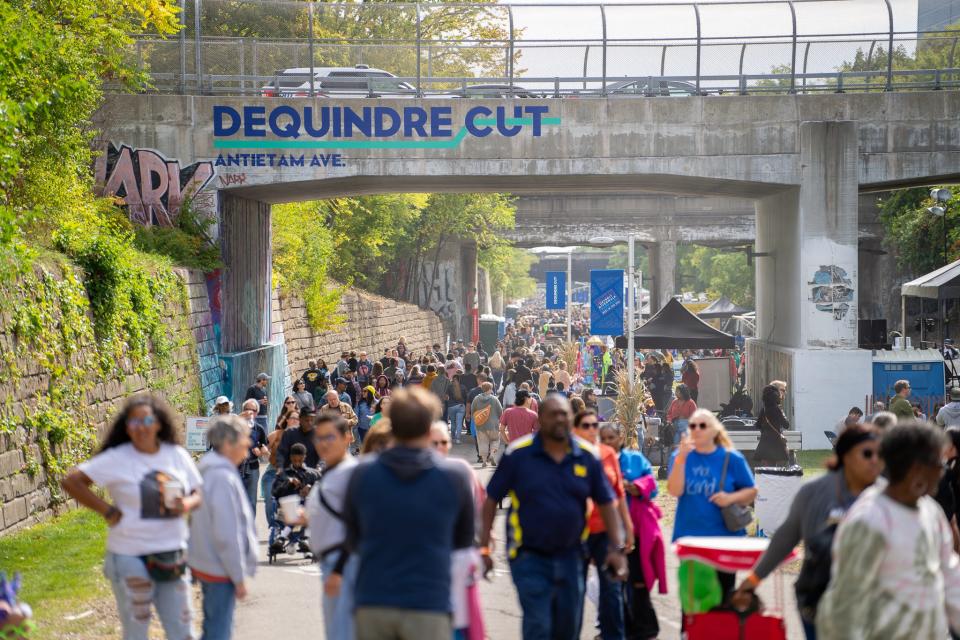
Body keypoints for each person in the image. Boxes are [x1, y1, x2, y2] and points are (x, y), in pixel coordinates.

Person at [480, 396, 628, 640]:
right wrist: (484, 547)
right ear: (540, 419)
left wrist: (616, 547)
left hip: (572, 556)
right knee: (539, 624)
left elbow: (606, 503)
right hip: (528, 555)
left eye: (564, 415)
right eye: (553, 414)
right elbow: (491, 499)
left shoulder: (587, 456)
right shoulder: (519, 454)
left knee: (567, 627)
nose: (560, 419)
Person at [60, 394, 202, 640]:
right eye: (134, 423)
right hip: (129, 554)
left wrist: (186, 503)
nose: (141, 428)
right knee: (137, 629)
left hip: (171, 553)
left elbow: (198, 491)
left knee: (182, 630)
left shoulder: (176, 455)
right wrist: (107, 510)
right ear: (127, 427)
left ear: (158, 423)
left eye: (146, 421)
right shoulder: (117, 458)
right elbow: (72, 481)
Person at [342, 387, 476, 640]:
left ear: (392, 425)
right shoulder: (455, 477)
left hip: (374, 600)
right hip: (430, 602)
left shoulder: (362, 474)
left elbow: (351, 541)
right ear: (429, 427)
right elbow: (463, 550)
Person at [733, 423, 882, 639]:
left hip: (869, 602)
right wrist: (754, 579)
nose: (875, 460)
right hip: (817, 598)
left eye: (880, 453)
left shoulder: (887, 496)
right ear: (846, 455)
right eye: (867, 453)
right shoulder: (814, 491)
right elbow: (785, 538)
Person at [816, 422, 960, 639]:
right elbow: (844, 604)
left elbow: (950, 576)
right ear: (914, 466)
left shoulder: (931, 511)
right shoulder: (869, 520)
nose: (943, 469)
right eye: (938, 462)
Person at [667, 409, 757, 605]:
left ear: (715, 430)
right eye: (693, 426)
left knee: (723, 598)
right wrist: (681, 458)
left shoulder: (731, 458)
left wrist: (730, 497)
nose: (697, 429)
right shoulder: (680, 456)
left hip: (724, 540)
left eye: (703, 425)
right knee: (692, 599)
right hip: (690, 539)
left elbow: (751, 491)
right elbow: (674, 490)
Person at [189, 415, 258, 640]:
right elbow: (228, 534)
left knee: (212, 628)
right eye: (244, 439)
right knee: (219, 632)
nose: (249, 443)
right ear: (228, 443)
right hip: (220, 569)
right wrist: (238, 577)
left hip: (210, 564)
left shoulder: (211, 471)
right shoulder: (222, 477)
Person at [571, 411, 633, 640]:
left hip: (606, 531)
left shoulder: (607, 454)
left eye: (593, 425)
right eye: (585, 425)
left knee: (611, 589)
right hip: (576, 532)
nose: (590, 430)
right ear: (575, 429)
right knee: (574, 590)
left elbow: (618, 495)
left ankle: (613, 636)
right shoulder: (568, 455)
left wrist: (627, 527)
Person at [600, 424, 663, 640]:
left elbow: (653, 487)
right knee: (612, 585)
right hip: (607, 533)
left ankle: (646, 629)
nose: (608, 441)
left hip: (636, 531)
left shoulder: (635, 460)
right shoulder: (597, 463)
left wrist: (636, 486)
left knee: (638, 581)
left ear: (620, 438)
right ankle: (613, 629)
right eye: (604, 438)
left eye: (612, 437)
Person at [305, 414, 359, 640]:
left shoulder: (350, 473)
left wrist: (338, 570)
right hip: (332, 562)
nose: (323, 443)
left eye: (330, 437)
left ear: (348, 438)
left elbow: (360, 525)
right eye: (318, 438)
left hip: (343, 563)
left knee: (342, 632)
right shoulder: (331, 471)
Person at [270, 443, 320, 554]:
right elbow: (274, 492)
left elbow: (324, 486)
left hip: (306, 510)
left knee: (307, 507)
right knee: (297, 511)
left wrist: (310, 487)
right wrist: (288, 483)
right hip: (287, 511)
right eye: (294, 460)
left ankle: (282, 538)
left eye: (300, 460)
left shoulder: (312, 474)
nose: (297, 463)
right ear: (290, 458)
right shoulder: (283, 474)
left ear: (304, 458)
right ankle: (303, 539)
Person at [264, 409, 298, 545]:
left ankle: (291, 531)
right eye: (292, 418)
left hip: (295, 474)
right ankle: (275, 526)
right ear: (287, 420)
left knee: (295, 502)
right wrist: (264, 451)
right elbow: (262, 445)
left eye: (297, 418)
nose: (295, 421)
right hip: (273, 472)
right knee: (269, 500)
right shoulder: (277, 435)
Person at [237, 399, 269, 515]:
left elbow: (264, 445)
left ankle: (249, 529)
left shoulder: (259, 428)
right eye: (246, 410)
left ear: (257, 413)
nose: (249, 413)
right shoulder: (235, 427)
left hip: (252, 467)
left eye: (253, 410)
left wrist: (261, 451)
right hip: (236, 467)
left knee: (251, 501)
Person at [754, 383, 790, 466]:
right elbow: (786, 425)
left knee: (767, 470)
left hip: (765, 443)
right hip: (777, 444)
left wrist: (765, 429)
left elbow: (757, 425)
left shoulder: (764, 409)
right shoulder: (777, 409)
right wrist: (782, 413)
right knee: (779, 471)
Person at [472, 381, 504, 467]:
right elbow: (501, 411)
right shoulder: (494, 399)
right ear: (489, 389)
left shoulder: (476, 399)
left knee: (482, 442)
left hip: (480, 425)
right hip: (493, 425)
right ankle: (492, 455)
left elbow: (473, 411)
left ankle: (484, 461)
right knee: (495, 440)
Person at [447, 372, 468, 445]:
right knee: (459, 423)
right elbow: (466, 397)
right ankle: (458, 439)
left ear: (452, 380)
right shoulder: (463, 387)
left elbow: (447, 396)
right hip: (461, 406)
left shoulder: (449, 387)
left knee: (453, 422)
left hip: (451, 406)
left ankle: (452, 437)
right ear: (459, 380)